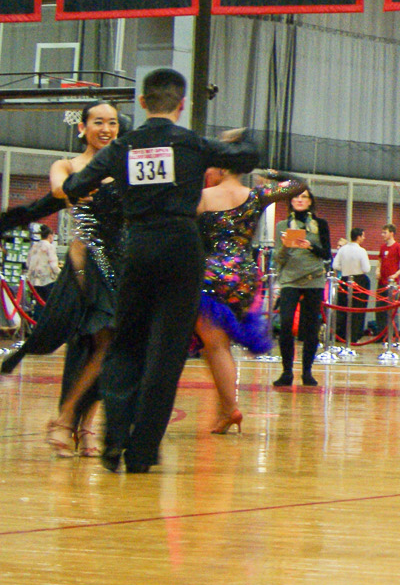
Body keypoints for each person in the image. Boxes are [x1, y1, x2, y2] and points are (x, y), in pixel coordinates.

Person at [54, 68, 259, 472]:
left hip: (138, 246)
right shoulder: (194, 143)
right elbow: (248, 156)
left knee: (126, 345)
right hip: (182, 248)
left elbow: (75, 187)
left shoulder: (123, 146)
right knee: (167, 353)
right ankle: (143, 452)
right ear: (181, 105)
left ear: (142, 103)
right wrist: (243, 138)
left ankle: (114, 441)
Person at [3, 100, 127, 456]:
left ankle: (80, 423)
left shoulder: (125, 168)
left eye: (112, 123)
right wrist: (77, 186)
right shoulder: (69, 166)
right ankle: (68, 419)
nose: (106, 129)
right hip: (84, 264)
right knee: (89, 343)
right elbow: (59, 189)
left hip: (120, 264)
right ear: (82, 127)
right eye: (98, 122)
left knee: (108, 345)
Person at [197, 165, 307, 432]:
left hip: (211, 276)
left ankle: (229, 409)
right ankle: (225, 409)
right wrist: (272, 173)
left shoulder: (202, 197)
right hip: (244, 278)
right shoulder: (257, 195)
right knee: (214, 348)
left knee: (216, 347)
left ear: (223, 167)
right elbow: (298, 184)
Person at [273, 189, 332, 388]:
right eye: (296, 196)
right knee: (286, 323)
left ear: (310, 201)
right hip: (290, 280)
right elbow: (278, 258)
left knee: (311, 327)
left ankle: (307, 371)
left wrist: (310, 246)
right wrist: (285, 245)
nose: (299, 200)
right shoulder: (282, 225)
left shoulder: (320, 224)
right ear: (290, 201)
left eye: (304, 197)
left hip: (313, 279)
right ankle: (286, 371)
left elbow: (327, 255)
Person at [332, 226, 373, 345]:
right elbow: (366, 268)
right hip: (360, 281)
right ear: (359, 237)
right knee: (358, 310)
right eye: (363, 236)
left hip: (345, 280)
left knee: (343, 308)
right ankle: (354, 335)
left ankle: (341, 335)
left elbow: (335, 265)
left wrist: (345, 268)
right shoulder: (361, 251)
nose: (364, 238)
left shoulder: (343, 250)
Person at [370, 222, 400, 337]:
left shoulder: (398, 247)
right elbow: (379, 261)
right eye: (382, 232)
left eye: (385, 233)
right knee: (379, 309)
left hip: (392, 285)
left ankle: (393, 335)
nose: (382, 235)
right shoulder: (383, 247)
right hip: (381, 283)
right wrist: (377, 270)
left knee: (392, 311)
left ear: (391, 233)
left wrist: (396, 274)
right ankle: (381, 335)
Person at [24, 225, 60, 308]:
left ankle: (37, 316)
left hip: (35, 281)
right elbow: (53, 266)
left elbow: (28, 263)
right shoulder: (49, 247)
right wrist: (60, 274)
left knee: (39, 303)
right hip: (47, 281)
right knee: (48, 304)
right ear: (50, 235)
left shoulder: (34, 246)